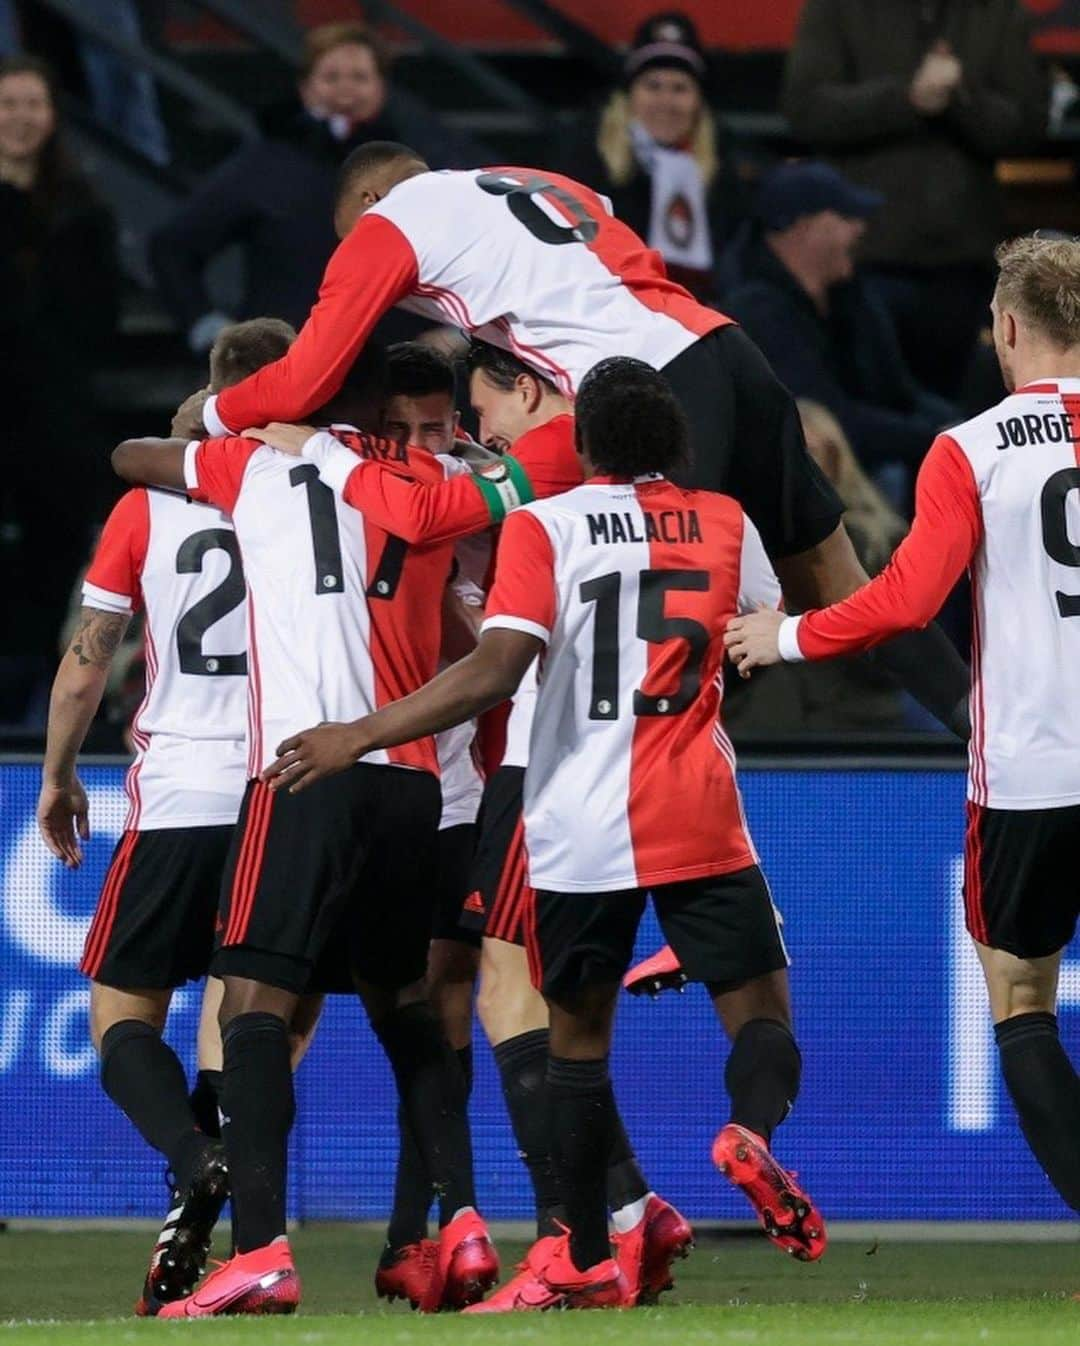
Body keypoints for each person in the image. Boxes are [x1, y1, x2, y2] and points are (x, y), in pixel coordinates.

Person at [258, 358, 827, 1309]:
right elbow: (759, 633)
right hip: (695, 805)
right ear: (673, 440)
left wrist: (356, 731)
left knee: (571, 1042)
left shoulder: (545, 523)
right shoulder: (726, 520)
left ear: (586, 441)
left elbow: (494, 670)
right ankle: (749, 1134)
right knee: (764, 1014)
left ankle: (574, 1253)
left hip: (575, 812)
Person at [182, 139, 971, 736]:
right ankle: (988, 732)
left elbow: (305, 376)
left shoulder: (389, 222)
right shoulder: (531, 183)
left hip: (653, 393)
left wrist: (214, 416)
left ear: (375, 196)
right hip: (724, 349)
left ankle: (682, 846)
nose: (354, 255)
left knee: (663, 630)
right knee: (842, 584)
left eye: (350, 231)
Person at [109, 353, 496, 1318]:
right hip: (412, 781)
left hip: (302, 771)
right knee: (408, 1008)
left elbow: (130, 456)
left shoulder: (254, 468)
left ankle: (263, 1252)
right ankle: (460, 1218)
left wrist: (222, 420)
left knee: (252, 1003)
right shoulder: (438, 485)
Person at [725, 235, 1080, 1221]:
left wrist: (785, 632)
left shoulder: (970, 448)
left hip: (1031, 775)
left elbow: (904, 601)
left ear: (1007, 327)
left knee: (1020, 1002)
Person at [36, 317, 296, 1316]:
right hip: (286, 793)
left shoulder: (149, 504)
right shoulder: (318, 501)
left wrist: (58, 774)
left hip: (184, 786)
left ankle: (197, 1160)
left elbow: (89, 655)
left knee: (120, 1016)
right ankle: (247, 1232)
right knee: (245, 1014)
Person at [372, 342, 487, 1306]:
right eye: (399, 430)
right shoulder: (358, 492)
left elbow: (486, 650)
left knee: (438, 1014)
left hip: (456, 797)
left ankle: (438, 1227)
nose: (419, 446)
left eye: (434, 428)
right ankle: (444, 1224)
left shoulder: (480, 500)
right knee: (422, 1019)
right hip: (375, 787)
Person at [149, 24, 483, 350]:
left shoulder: (422, 166)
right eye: (331, 77)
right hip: (286, 371)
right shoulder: (265, 164)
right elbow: (174, 246)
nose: (345, 89)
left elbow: (479, 244)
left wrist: (459, 332)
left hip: (398, 374)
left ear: (382, 88)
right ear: (306, 88)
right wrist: (210, 329)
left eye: (359, 77)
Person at [781, 0, 1047, 400]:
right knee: (870, 412)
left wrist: (959, 97)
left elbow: (1027, 124)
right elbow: (806, 108)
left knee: (965, 415)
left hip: (965, 265)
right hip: (861, 261)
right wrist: (906, 98)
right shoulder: (836, 7)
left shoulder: (998, 11)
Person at [0, 54, 119, 706]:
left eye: (32, 104)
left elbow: (96, 317)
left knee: (52, 553)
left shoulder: (82, 209)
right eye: (8, 104)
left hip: (55, 412)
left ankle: (37, 692)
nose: (20, 119)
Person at [723, 161, 958, 484]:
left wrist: (959, 427)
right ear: (802, 226)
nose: (859, 228)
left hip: (877, 454)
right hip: (809, 478)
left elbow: (900, 392)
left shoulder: (852, 295)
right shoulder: (755, 310)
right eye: (846, 217)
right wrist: (935, 437)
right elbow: (827, 421)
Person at [559, 10, 737, 303]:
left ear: (697, 101)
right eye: (652, 86)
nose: (666, 101)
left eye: (680, 88)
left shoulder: (720, 169)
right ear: (630, 96)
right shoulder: (587, 160)